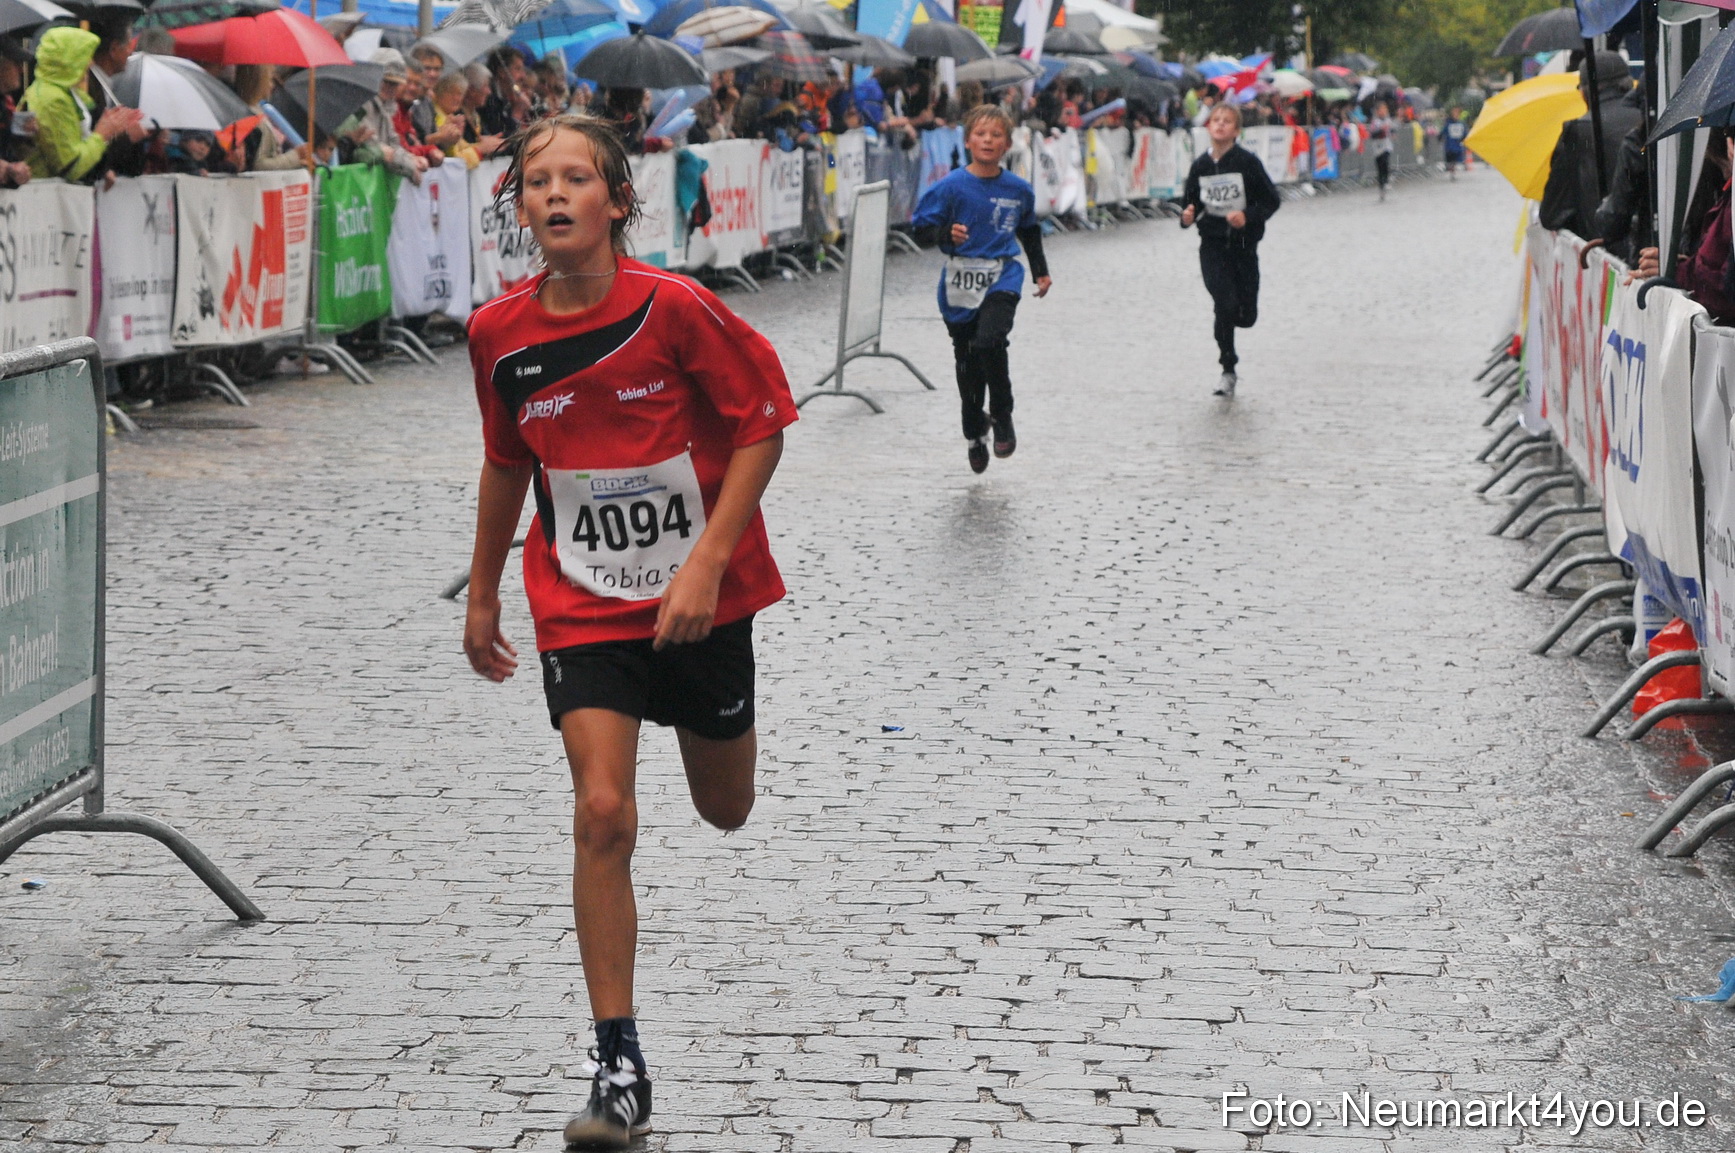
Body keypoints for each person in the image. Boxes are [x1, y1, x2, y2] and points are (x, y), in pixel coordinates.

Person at [463, 112, 796, 1151]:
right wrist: (483, 592)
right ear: (519, 208)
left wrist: (704, 561)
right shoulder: (497, 334)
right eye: (535, 183)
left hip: (702, 598)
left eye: (576, 179)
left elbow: (763, 421)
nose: (554, 196)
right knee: (602, 809)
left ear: (616, 200)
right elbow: (507, 462)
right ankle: (618, 1060)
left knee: (724, 806)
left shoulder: (677, 308)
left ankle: (716, 725)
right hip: (578, 596)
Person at [912, 103, 1052, 473]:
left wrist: (1040, 271)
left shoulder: (1018, 189)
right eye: (981, 134)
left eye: (996, 135)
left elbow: (1028, 230)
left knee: (991, 341)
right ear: (968, 139)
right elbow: (920, 228)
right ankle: (975, 432)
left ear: (1007, 143)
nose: (988, 141)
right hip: (959, 280)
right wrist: (946, 234)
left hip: (1002, 274)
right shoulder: (950, 187)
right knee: (968, 362)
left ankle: (1003, 415)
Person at [1180, 101, 1280, 399]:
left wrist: (1247, 216)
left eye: (1226, 121)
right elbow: (1190, 203)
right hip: (1212, 246)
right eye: (1215, 120)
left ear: (1236, 130)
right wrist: (1186, 215)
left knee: (1245, 315)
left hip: (1244, 246)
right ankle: (1228, 368)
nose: (1220, 124)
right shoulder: (1200, 165)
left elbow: (1271, 200)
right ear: (1209, 126)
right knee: (1224, 303)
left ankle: (1232, 319)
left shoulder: (1247, 162)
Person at [1540, 50, 1642, 237]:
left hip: (1608, 246)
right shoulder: (1650, 119)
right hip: (1654, 248)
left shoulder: (1580, 130)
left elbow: (1552, 214)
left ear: (1584, 93)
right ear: (1628, 84)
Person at [23, 27, 143, 183]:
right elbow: (71, 167)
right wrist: (102, 134)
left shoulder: (67, 92)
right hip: (47, 197)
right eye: (84, 55)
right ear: (68, 59)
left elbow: (81, 147)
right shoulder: (52, 99)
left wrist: (102, 169)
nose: (91, 62)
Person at [337, 49, 428, 183]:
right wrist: (409, 164)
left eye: (395, 83)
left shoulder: (387, 106)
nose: (390, 87)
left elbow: (392, 143)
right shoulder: (361, 103)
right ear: (374, 77)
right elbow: (374, 146)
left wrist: (411, 159)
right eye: (386, 81)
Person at [232, 64, 309, 170]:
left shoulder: (254, 112)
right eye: (269, 80)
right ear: (258, 81)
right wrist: (295, 156)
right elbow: (260, 165)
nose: (272, 85)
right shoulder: (254, 119)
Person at [0, 36, 32, 188]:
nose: (21, 69)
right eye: (16, 63)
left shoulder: (4, 104)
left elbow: (5, 151)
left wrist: (18, 169)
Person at [1367, 101, 1394, 200]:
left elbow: (1392, 129)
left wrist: (1393, 133)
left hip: (1386, 146)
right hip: (1377, 148)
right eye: (1382, 109)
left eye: (1385, 109)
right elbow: (1372, 134)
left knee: (1386, 162)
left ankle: (1386, 181)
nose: (1384, 111)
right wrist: (1381, 130)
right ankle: (1381, 188)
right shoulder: (1375, 122)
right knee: (1380, 168)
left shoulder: (1388, 120)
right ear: (1377, 111)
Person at [1442, 106, 1467, 179]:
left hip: (1457, 145)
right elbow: (1444, 132)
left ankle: (1453, 170)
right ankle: (1451, 169)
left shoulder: (1461, 123)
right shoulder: (1448, 123)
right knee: (1450, 159)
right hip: (1450, 145)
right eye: (1454, 112)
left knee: (1455, 159)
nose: (1455, 114)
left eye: (1457, 113)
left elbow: (1464, 133)